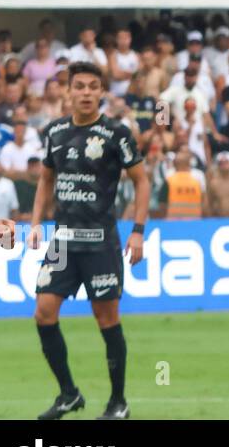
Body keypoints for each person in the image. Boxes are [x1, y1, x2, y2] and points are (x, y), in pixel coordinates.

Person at [28, 61, 149, 420]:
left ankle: (118, 402)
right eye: (78, 86)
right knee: (43, 312)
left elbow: (141, 180)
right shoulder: (55, 132)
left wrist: (138, 231)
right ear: (68, 91)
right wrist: (35, 224)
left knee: (106, 318)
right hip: (63, 242)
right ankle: (68, 393)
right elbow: (45, 180)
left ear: (101, 92)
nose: (85, 93)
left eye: (92, 87)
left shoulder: (116, 133)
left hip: (101, 242)